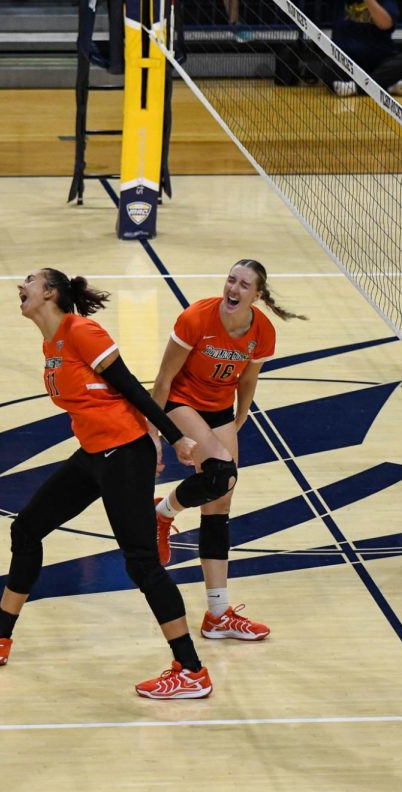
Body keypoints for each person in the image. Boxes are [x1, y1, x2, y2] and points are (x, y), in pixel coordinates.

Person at [0, 269, 213, 700]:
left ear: (50, 293)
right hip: (95, 455)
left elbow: (130, 387)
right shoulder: (50, 343)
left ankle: (190, 669)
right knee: (27, 528)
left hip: (124, 454)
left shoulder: (80, 330)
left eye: (30, 281)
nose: (22, 285)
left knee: (142, 563)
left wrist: (172, 435)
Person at [149, 259, 305, 640]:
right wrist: (154, 434)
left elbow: (249, 378)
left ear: (258, 295)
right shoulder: (196, 319)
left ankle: (218, 614)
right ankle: (163, 512)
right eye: (230, 280)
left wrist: (240, 417)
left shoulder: (262, 332)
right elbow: (164, 378)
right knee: (220, 473)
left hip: (219, 408)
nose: (233, 289)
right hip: (180, 402)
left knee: (221, 501)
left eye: (243, 284)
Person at [308, 0, 402, 97]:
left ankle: (355, 88)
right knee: (328, 66)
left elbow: (385, 24)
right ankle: (385, 86)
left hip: (380, 61)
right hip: (348, 64)